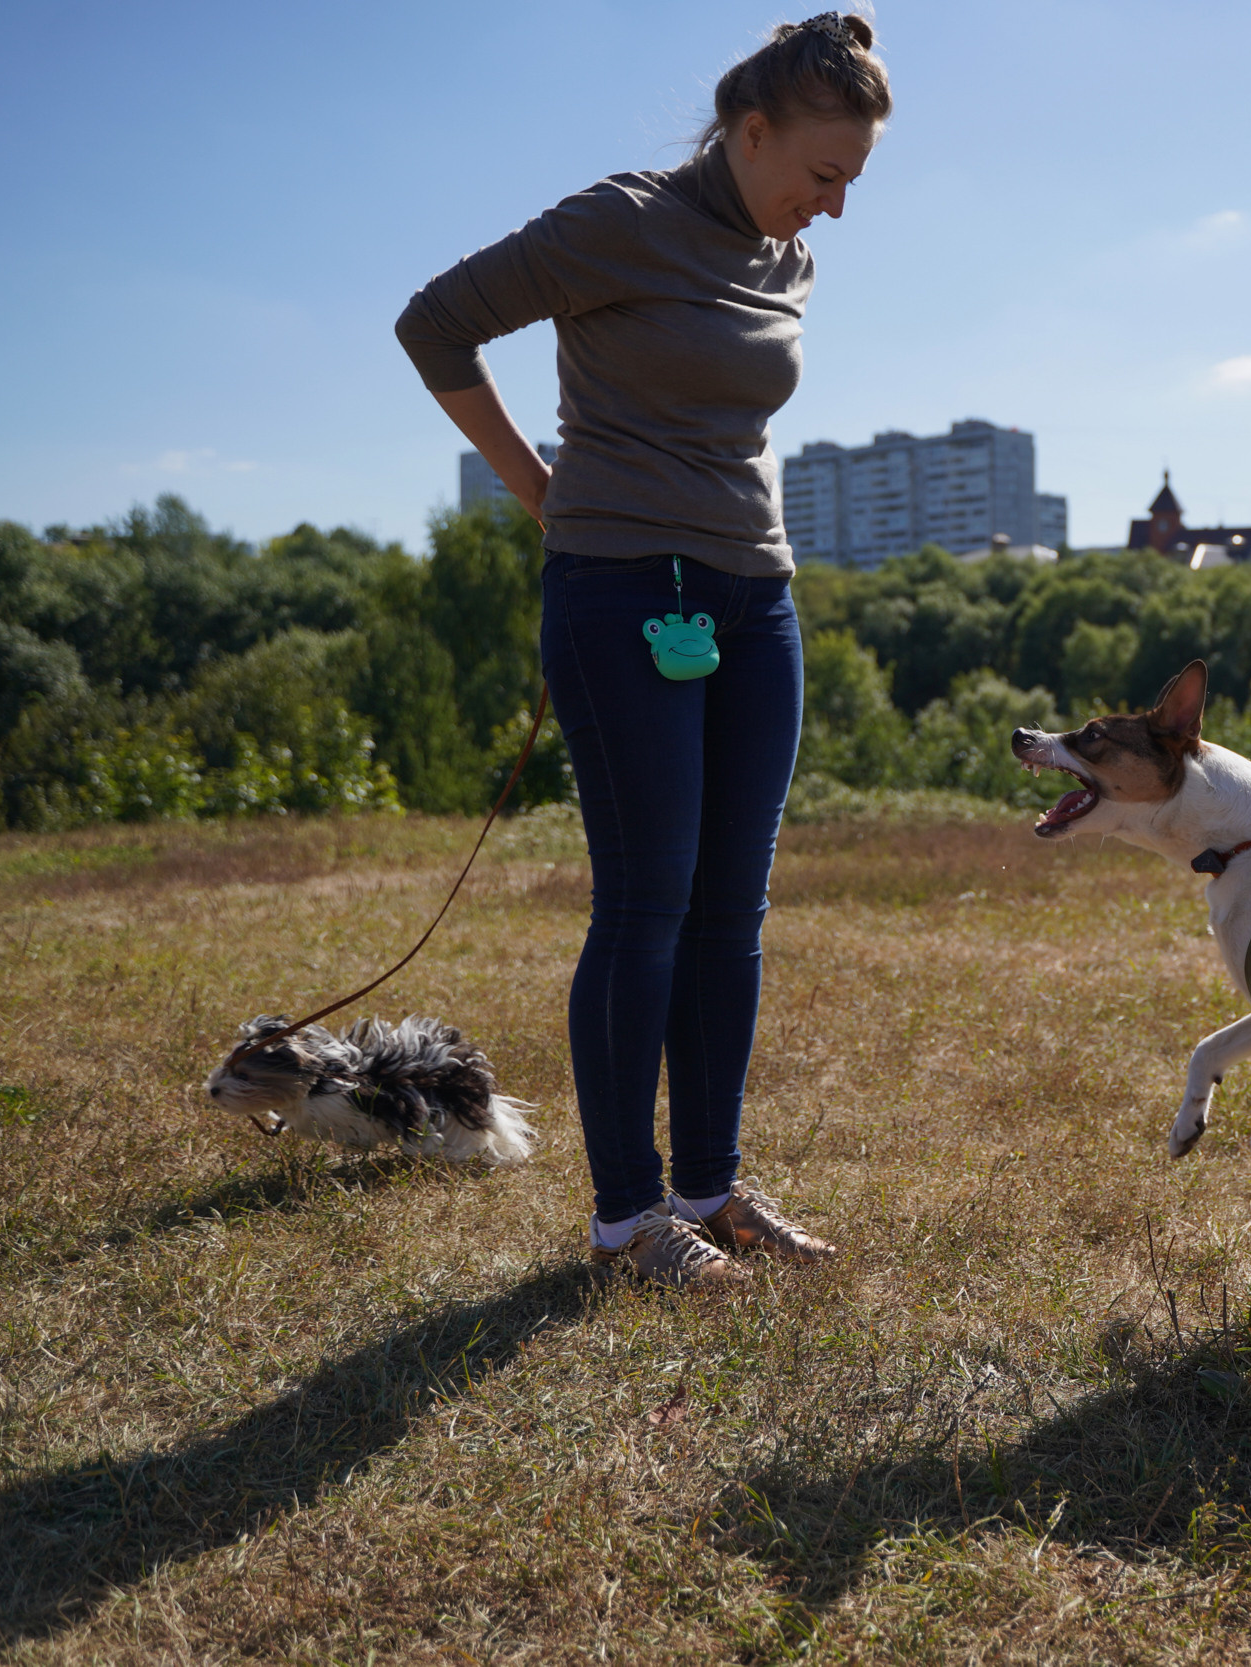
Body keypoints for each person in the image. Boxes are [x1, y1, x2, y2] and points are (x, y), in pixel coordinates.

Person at [395, 13, 889, 1288]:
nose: (834, 206)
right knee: (647, 905)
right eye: (822, 173)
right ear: (751, 130)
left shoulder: (786, 256)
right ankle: (626, 1219)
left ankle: (709, 1189)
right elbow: (434, 323)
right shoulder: (619, 222)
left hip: (756, 596)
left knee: (731, 912)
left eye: (851, 183)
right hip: (622, 590)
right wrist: (536, 488)